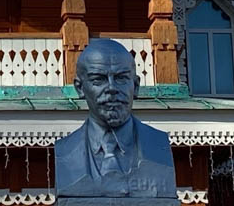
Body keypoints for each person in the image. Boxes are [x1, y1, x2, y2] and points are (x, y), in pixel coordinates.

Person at [54, 38, 177, 199]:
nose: (112, 88)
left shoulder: (158, 146)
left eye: (121, 78)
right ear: (80, 88)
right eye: (98, 79)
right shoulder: (65, 152)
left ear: (136, 86)